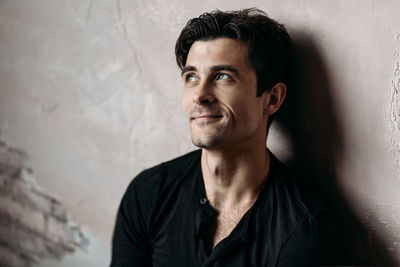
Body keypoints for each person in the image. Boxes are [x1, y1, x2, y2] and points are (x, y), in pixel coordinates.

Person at [110, 8, 344, 267]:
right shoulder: (148, 194)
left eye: (222, 76)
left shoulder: (304, 231)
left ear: (272, 98)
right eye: (191, 77)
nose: (200, 95)